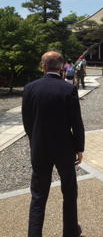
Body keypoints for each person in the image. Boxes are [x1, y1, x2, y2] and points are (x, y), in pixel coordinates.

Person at [22, 51, 85, 237]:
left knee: (39, 194)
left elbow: (27, 121)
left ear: (43, 66)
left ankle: (34, 234)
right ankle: (71, 231)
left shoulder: (30, 88)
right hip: (64, 148)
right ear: (62, 67)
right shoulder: (68, 89)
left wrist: (34, 140)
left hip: (40, 146)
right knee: (69, 190)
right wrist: (79, 147)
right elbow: (76, 122)